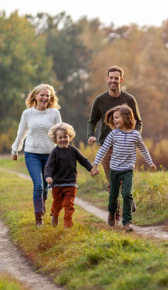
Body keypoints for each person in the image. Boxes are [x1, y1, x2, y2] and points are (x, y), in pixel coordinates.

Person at [87, 65, 142, 215]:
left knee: (125, 179)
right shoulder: (100, 100)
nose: (113, 80)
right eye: (111, 78)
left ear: (121, 80)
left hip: (125, 147)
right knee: (112, 183)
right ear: (107, 79)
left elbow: (138, 121)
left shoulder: (129, 99)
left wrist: (134, 137)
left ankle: (128, 199)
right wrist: (90, 135)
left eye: (116, 78)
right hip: (107, 146)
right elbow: (92, 121)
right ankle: (115, 214)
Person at [92, 104, 156, 231]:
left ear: (126, 118)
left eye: (117, 117)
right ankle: (112, 213)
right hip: (114, 170)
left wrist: (150, 162)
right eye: (114, 118)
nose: (114, 120)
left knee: (127, 194)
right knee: (113, 196)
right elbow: (103, 149)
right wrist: (95, 165)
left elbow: (142, 148)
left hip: (127, 170)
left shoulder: (135, 135)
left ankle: (127, 222)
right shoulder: (113, 134)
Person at [11, 84, 62, 227]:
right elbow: (21, 133)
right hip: (31, 154)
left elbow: (61, 132)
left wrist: (63, 152)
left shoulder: (54, 113)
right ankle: (39, 219)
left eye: (48, 95)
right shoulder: (27, 113)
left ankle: (43, 201)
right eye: (42, 95)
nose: (45, 98)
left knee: (45, 187)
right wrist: (15, 149)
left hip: (50, 155)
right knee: (38, 185)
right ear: (35, 96)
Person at [44, 122, 98, 228]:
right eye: (60, 137)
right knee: (57, 204)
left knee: (68, 205)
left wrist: (91, 169)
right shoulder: (54, 152)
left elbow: (83, 160)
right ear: (55, 139)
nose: (63, 139)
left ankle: (67, 224)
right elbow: (48, 166)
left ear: (70, 136)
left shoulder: (73, 150)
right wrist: (48, 176)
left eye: (65, 137)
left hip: (71, 183)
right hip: (57, 184)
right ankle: (55, 215)